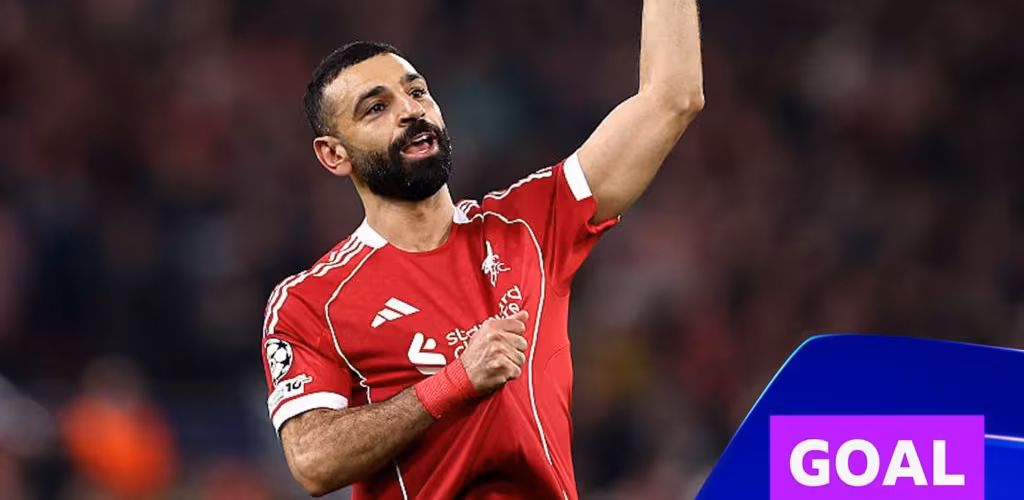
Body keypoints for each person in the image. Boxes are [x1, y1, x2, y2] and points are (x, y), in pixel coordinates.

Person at [260, 0, 704, 497]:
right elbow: (313, 460)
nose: (410, 111)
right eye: (377, 108)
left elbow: (673, 98)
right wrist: (455, 382)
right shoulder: (311, 302)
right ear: (333, 154)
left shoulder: (530, 223)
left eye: (417, 92)